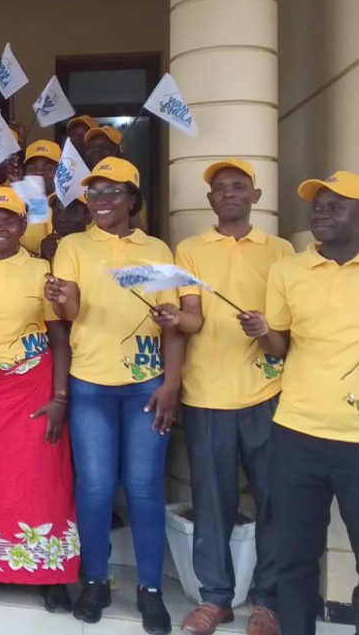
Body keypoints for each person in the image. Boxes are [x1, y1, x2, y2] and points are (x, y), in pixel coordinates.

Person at [45, 157, 183, 635]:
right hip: (90, 384)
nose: (101, 201)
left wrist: (172, 383)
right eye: (94, 193)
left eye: (111, 192)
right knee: (97, 487)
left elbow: (173, 325)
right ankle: (96, 580)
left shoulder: (158, 248)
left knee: (144, 488)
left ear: (132, 200)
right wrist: (61, 295)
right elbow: (70, 310)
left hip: (148, 385)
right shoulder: (73, 245)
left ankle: (150, 589)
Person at [169, 160, 294, 635]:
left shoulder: (281, 251)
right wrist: (173, 319)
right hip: (207, 394)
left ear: (255, 197)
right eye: (220, 189)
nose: (230, 194)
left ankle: (268, 602)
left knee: (274, 501)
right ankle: (215, 598)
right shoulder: (191, 249)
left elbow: (285, 329)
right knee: (212, 502)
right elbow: (193, 317)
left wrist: (265, 330)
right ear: (210, 201)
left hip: (268, 393)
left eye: (239, 187)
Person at [238, 170, 359, 635]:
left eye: (336, 205)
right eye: (318, 204)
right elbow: (280, 347)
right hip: (297, 433)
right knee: (294, 557)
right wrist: (263, 332)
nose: (321, 212)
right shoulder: (288, 270)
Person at [0, 186, 78, 608]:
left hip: (33, 387)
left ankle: (49, 575)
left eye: (9, 219)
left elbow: (59, 338)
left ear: (24, 226)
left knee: (41, 478)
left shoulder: (43, 270)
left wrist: (61, 397)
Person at [20, 139, 61, 255]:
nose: (39, 172)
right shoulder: (16, 205)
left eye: (49, 168)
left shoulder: (73, 205)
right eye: (32, 168)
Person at [39, 194, 90, 264]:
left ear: (89, 217)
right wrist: (44, 258)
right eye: (58, 211)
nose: (63, 218)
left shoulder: (97, 247)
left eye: (71, 211)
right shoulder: (48, 247)